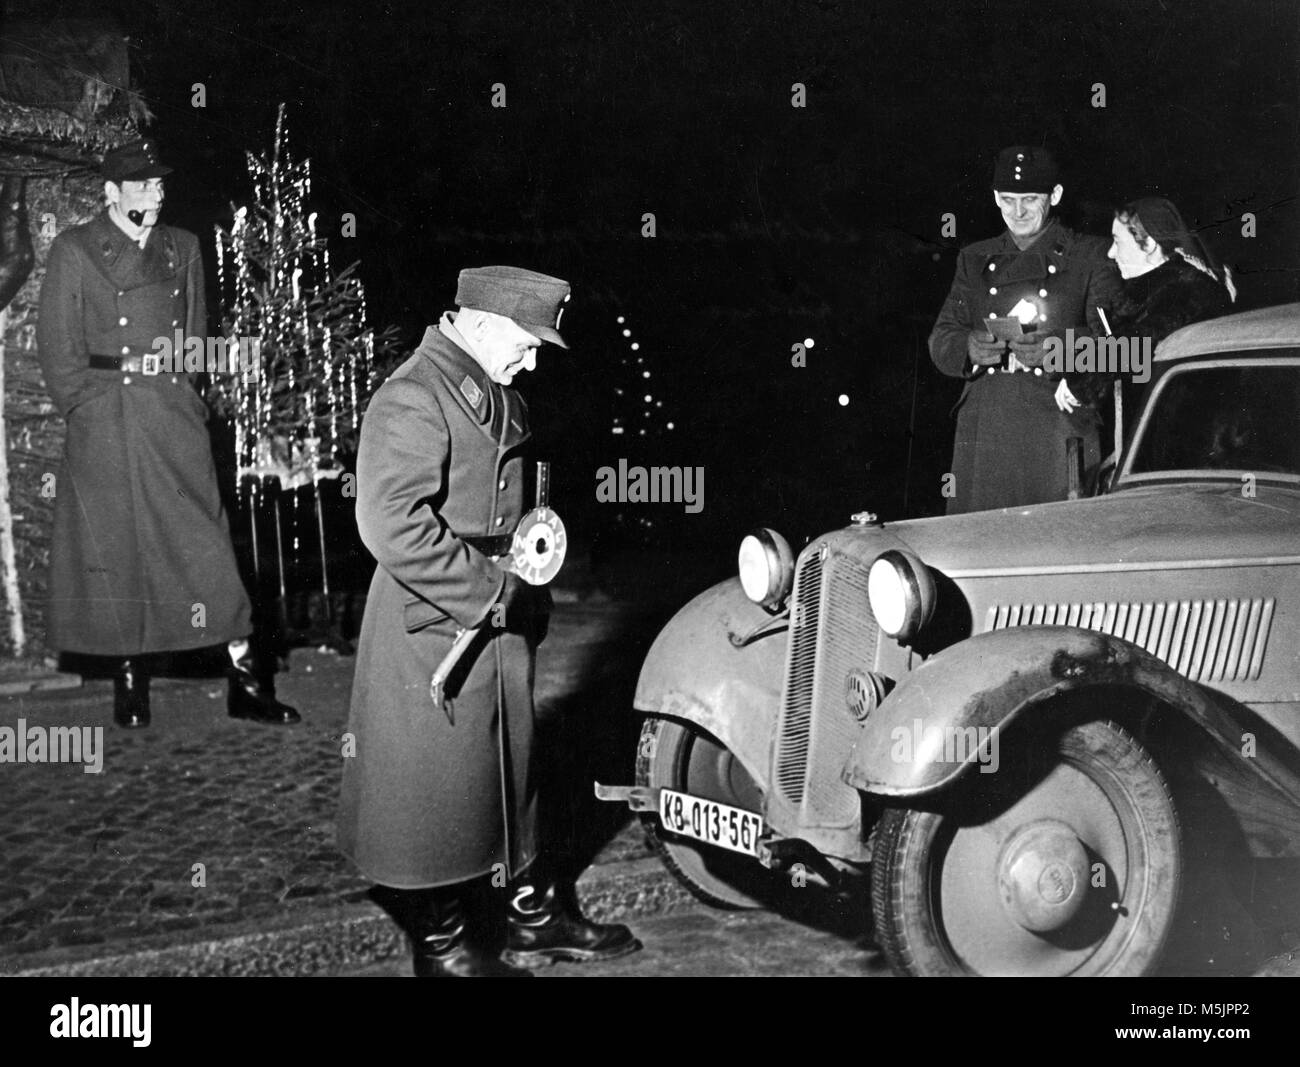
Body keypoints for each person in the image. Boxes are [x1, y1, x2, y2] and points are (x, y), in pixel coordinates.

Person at [337, 266, 641, 977]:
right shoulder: (414, 395)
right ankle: (443, 947)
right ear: (478, 323)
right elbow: (389, 524)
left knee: (508, 770)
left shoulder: (483, 387)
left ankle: (529, 917)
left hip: (494, 608)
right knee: (435, 788)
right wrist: (488, 591)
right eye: (527, 343)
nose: (533, 360)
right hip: (436, 620)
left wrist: (523, 562)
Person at [36, 140, 298, 729]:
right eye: (142, 184)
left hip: (168, 414)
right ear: (111, 192)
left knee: (204, 542)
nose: (156, 192)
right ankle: (131, 684)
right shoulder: (75, 250)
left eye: (160, 183)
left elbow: (195, 335)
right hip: (107, 419)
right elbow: (57, 347)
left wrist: (184, 394)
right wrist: (89, 405)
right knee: (118, 550)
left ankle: (247, 680)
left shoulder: (183, 247)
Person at [929, 146, 1120, 513]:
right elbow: (942, 337)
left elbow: (1123, 348)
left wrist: (1061, 349)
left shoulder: (1091, 255)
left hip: (1056, 428)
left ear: (1056, 195)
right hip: (986, 431)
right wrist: (967, 348)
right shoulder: (974, 257)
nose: (1017, 212)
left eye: (1030, 199)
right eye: (1007, 199)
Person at [1058, 196, 1235, 411]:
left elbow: (1143, 337)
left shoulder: (1189, 290)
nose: (1110, 252)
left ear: (1150, 243)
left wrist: (1082, 379)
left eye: (1118, 241)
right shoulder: (1147, 291)